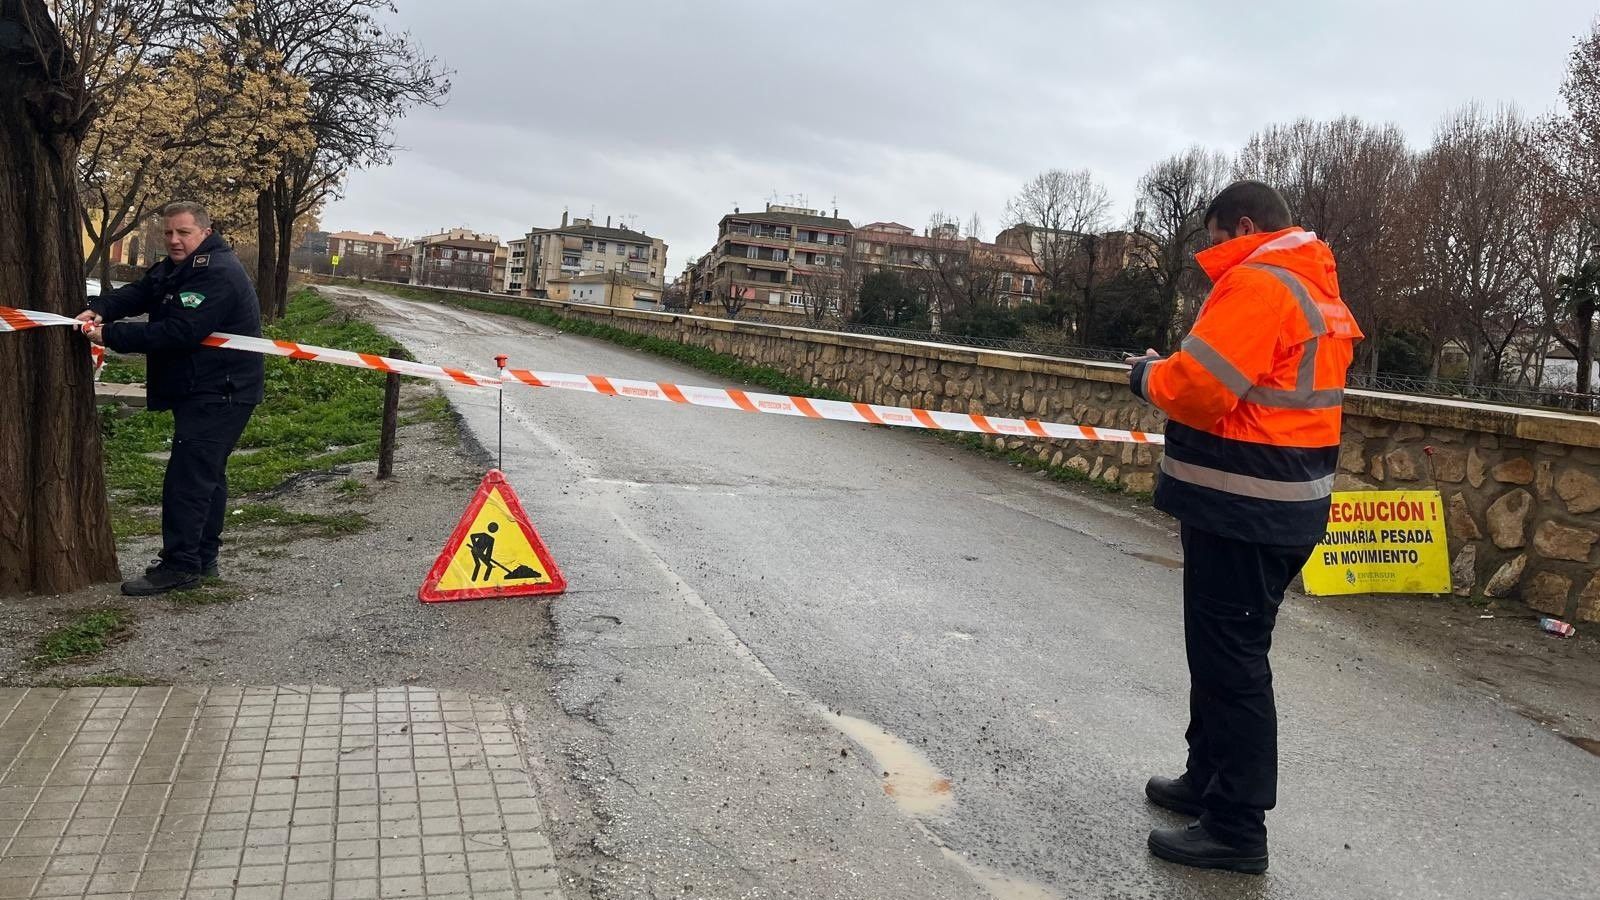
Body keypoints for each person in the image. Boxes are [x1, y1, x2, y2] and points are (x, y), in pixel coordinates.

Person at [1126, 181, 1362, 874]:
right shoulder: (1311, 286)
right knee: (1221, 652)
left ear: (1245, 225)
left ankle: (1236, 828)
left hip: (1244, 506)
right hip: (1275, 503)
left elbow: (1200, 388)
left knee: (1231, 663)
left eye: (1214, 239)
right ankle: (1207, 778)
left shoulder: (1260, 283)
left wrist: (1147, 376)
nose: (1212, 254)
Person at [81, 201, 265, 596]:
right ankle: (202, 559)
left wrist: (111, 336)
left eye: (183, 232)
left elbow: (181, 331)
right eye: (168, 233)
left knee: (188, 479)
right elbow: (142, 292)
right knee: (206, 476)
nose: (174, 240)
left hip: (222, 391)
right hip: (202, 387)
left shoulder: (216, 272)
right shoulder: (180, 267)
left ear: (205, 232)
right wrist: (100, 309)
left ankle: (180, 566)